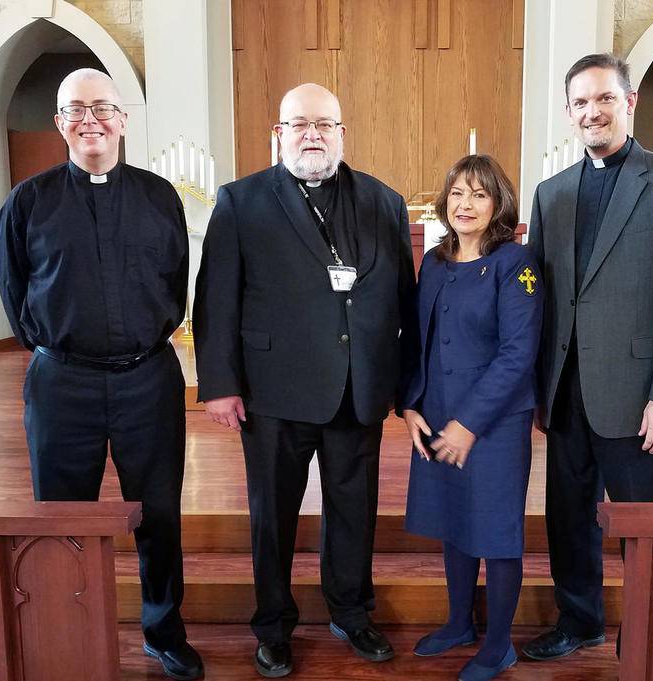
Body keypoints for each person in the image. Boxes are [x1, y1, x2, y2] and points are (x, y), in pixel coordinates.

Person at [193, 82, 416, 678]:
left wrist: (406, 384)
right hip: (273, 391)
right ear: (279, 134)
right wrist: (218, 383)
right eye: (300, 124)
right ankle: (272, 624)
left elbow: (404, 301)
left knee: (355, 511)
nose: (313, 134)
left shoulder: (384, 202)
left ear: (342, 133)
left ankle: (351, 610)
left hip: (358, 388)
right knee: (273, 517)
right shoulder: (241, 201)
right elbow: (215, 297)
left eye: (325, 124)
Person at [0, 68, 203, 681]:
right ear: (60, 123)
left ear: (123, 119)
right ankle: (68, 631)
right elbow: (15, 295)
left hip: (148, 381)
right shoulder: (26, 202)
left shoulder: (160, 196)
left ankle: (164, 631)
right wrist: (59, 350)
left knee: (159, 514)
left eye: (102, 108)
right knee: (62, 518)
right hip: (63, 384)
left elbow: (174, 283)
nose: (91, 120)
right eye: (75, 110)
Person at [522, 53, 653, 662]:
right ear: (569, 113)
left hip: (639, 395)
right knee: (568, 519)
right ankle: (580, 621)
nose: (592, 111)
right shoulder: (550, 194)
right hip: (564, 390)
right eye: (580, 103)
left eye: (604, 99)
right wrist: (534, 386)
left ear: (628, 103)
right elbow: (539, 292)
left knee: (643, 526)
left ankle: (647, 631)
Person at [401, 155, 543, 681]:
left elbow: (517, 353)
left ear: (498, 203)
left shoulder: (516, 263)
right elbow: (417, 340)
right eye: (458, 192)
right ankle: (460, 622)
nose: (466, 204)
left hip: (495, 421)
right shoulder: (434, 262)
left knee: (496, 531)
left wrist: (469, 425)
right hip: (437, 411)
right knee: (454, 521)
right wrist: (410, 403)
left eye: (480, 194)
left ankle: (500, 644)